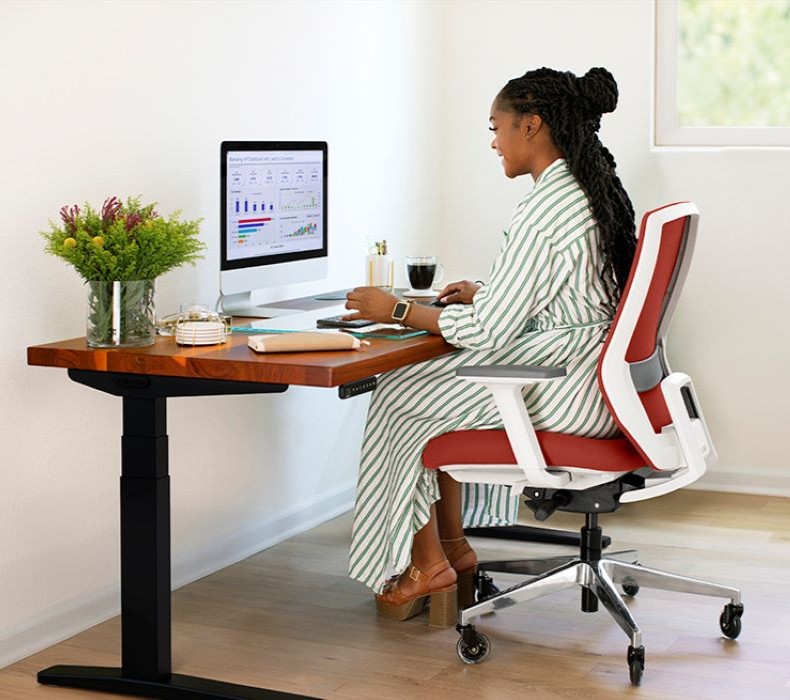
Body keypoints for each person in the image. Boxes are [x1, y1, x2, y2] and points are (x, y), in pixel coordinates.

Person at [342, 66, 637, 627]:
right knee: (424, 393)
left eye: (496, 126)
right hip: (592, 376)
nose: (493, 141)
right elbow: (565, 290)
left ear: (532, 126)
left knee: (396, 397)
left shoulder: (546, 210)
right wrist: (485, 293)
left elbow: (488, 334)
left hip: (565, 387)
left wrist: (397, 310)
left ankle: (426, 564)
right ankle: (453, 550)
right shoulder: (580, 191)